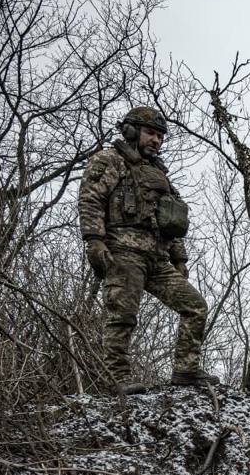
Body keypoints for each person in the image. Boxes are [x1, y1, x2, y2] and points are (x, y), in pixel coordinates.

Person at [77, 106, 218, 394]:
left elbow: (171, 219)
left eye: (160, 136)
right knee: (122, 315)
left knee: (195, 306)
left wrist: (179, 257)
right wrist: (94, 240)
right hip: (123, 252)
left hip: (157, 258)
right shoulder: (110, 160)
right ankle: (116, 378)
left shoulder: (158, 174)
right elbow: (90, 200)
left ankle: (185, 370)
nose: (156, 140)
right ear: (131, 131)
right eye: (150, 133)